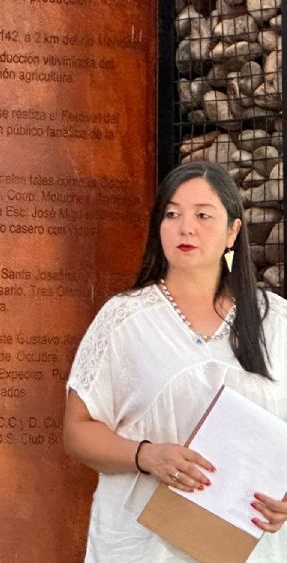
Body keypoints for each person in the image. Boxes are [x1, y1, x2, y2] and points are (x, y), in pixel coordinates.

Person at [64, 161, 287, 561]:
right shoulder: (124, 319)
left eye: (203, 215)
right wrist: (145, 455)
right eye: (172, 214)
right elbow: (77, 431)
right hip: (143, 545)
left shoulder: (278, 322)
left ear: (233, 232)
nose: (186, 227)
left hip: (251, 545)